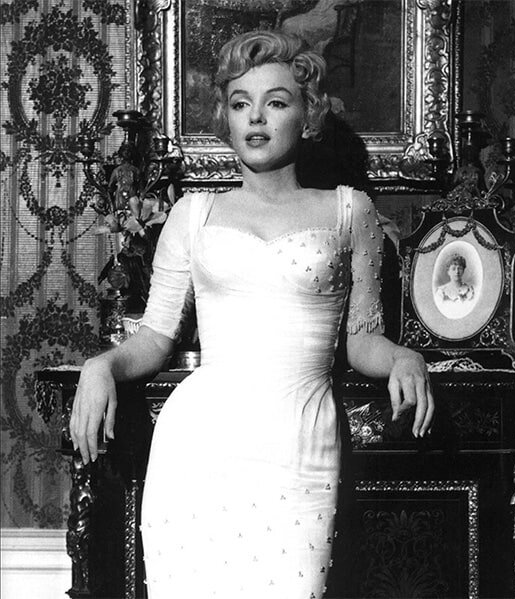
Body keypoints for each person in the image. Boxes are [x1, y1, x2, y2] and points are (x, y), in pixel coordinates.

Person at [70, 30, 434, 599]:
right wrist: (101, 366)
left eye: (276, 102)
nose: (256, 117)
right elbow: (155, 337)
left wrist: (403, 358)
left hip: (298, 445)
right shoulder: (192, 214)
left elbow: (363, 341)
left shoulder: (349, 210)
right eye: (241, 104)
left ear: (308, 116)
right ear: (228, 118)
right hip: (197, 448)